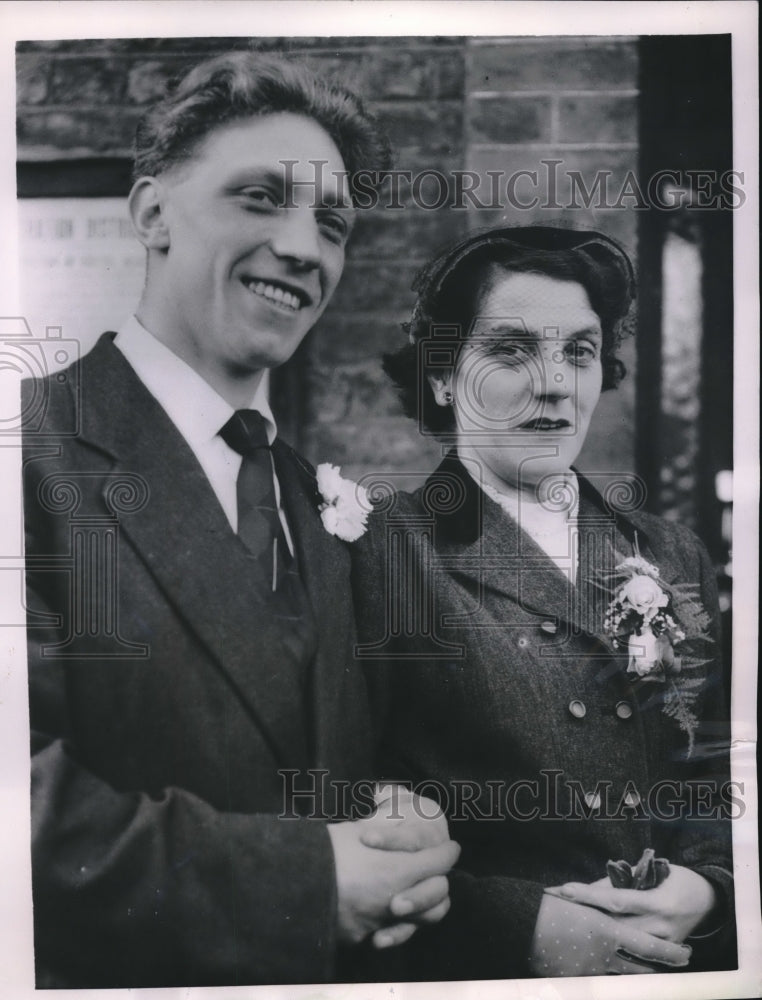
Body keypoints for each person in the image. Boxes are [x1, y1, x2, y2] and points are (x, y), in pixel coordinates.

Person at [21, 52, 459, 988]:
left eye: (332, 223)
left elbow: (335, 749)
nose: (305, 248)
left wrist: (395, 818)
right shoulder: (29, 456)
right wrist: (307, 883)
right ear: (150, 214)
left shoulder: (316, 502)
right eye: (261, 198)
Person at [352, 225, 736, 979]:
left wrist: (709, 891)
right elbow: (347, 816)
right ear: (439, 376)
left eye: (579, 351)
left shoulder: (670, 552)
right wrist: (523, 927)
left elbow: (715, 775)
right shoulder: (381, 550)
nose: (555, 382)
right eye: (512, 350)